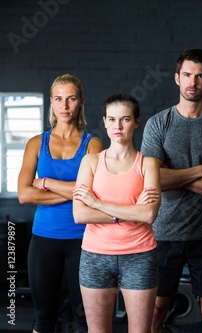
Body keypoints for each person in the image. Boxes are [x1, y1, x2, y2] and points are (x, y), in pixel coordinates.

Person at [140, 48, 202, 333]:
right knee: (156, 309)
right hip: (163, 232)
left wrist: (171, 175)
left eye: (199, 76)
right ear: (176, 78)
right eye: (187, 75)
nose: (192, 81)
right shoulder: (158, 124)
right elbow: (152, 180)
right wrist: (200, 169)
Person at [17, 73, 104, 333]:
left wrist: (45, 182)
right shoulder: (36, 143)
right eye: (59, 99)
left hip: (84, 242)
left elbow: (96, 196)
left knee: (84, 321)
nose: (65, 106)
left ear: (81, 103)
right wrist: (77, 191)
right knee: (43, 318)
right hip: (43, 241)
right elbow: (24, 194)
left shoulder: (94, 144)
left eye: (71, 99)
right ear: (52, 103)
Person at [72, 93, 161, 332]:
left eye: (125, 119)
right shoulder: (90, 162)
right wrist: (132, 212)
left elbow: (149, 215)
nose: (117, 126)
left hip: (140, 256)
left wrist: (98, 203)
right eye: (111, 119)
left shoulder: (148, 164)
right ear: (104, 122)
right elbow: (80, 215)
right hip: (95, 256)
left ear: (137, 121)